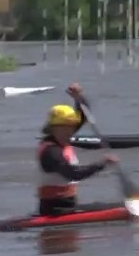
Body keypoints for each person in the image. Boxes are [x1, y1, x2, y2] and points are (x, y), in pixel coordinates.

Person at [36, 83, 119, 216]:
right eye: (65, 127)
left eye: (72, 127)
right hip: (55, 210)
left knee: (112, 204)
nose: (70, 131)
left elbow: (85, 114)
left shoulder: (62, 137)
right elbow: (74, 174)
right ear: (54, 128)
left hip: (68, 206)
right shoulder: (51, 151)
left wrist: (78, 97)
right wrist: (102, 164)